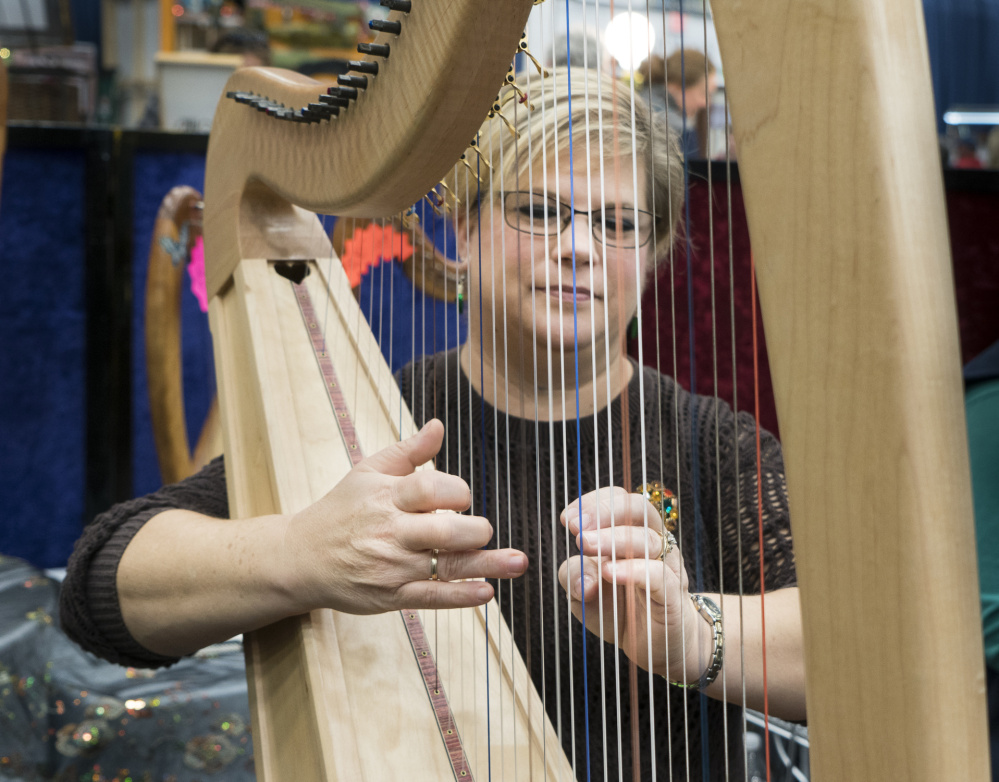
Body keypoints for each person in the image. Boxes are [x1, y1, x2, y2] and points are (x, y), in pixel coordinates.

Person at [61, 68, 803, 779]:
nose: (577, 247)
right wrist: (298, 552)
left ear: (654, 253)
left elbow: (859, 653)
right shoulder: (374, 433)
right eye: (539, 210)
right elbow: (98, 591)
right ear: (464, 229)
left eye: (616, 222)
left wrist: (694, 636)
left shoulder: (712, 447)